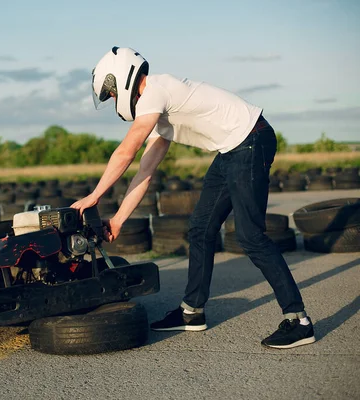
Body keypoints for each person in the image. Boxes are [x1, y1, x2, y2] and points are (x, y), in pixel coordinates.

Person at [71, 46, 315, 349]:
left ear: (120, 77)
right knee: (200, 228)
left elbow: (126, 151)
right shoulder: (157, 114)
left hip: (251, 139)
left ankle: (299, 321)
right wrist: (119, 220)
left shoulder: (155, 91)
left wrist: (94, 196)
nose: (113, 100)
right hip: (231, 150)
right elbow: (144, 172)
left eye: (110, 93)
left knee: (250, 236)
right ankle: (192, 312)